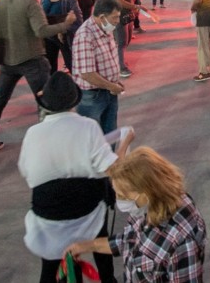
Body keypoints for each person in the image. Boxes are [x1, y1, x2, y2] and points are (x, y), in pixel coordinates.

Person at [18, 71, 132, 283]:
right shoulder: (88, 126)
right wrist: (125, 141)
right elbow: (114, 169)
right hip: (87, 211)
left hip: (48, 213)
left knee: (50, 266)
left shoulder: (32, 133)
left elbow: (27, 172)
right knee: (101, 231)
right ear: (75, 101)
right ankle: (107, 278)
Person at [65, 147, 207, 282]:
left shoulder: (182, 240)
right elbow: (131, 240)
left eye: (123, 196)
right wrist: (87, 246)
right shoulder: (144, 208)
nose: (119, 201)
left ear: (146, 194)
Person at [0, 0, 78, 156]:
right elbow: (41, 31)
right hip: (32, 59)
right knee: (45, 101)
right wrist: (66, 23)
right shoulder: (31, 3)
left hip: (7, 61)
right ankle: (49, 143)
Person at [72, 0, 123, 134]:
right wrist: (111, 86)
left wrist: (114, 82)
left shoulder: (105, 28)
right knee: (92, 135)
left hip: (109, 90)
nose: (117, 21)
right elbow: (87, 74)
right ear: (102, 17)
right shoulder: (85, 36)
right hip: (93, 96)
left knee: (110, 132)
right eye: (115, 17)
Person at [41, 0, 84, 74]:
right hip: (48, 37)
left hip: (64, 38)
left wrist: (63, 30)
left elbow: (78, 20)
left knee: (71, 64)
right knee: (49, 66)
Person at [108, 0, 140, 78]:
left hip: (127, 17)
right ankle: (121, 67)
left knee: (126, 41)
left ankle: (119, 61)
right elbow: (119, 2)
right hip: (120, 18)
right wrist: (134, 6)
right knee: (121, 42)